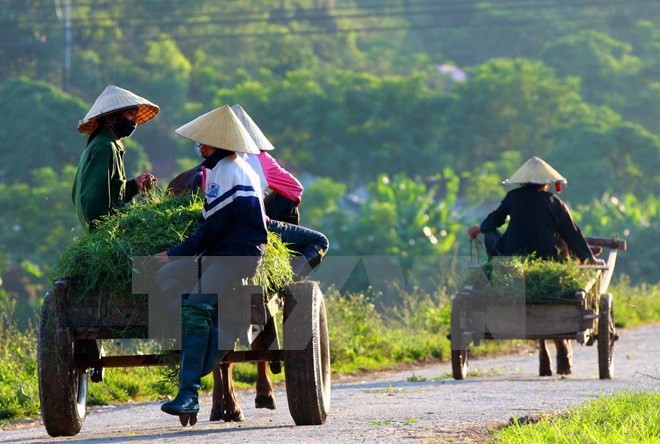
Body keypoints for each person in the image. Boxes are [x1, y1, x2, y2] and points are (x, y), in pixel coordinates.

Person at [154, 105, 267, 421]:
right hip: (219, 254)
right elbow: (212, 226)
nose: (198, 147)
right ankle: (207, 337)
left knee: (195, 306)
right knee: (165, 278)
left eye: (202, 142)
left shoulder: (230, 171)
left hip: (236, 257)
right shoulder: (224, 169)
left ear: (215, 144)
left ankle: (188, 391)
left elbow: (211, 229)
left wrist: (175, 252)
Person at [467, 156, 604, 376]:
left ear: (522, 182)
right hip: (547, 259)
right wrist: (589, 257)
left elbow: (493, 222)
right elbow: (572, 232)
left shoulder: (513, 198)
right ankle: (559, 349)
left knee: (490, 235)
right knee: (560, 240)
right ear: (547, 183)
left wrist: (480, 228)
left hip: (510, 260)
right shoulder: (554, 203)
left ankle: (497, 266)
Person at [72, 85, 159, 232]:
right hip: (105, 233)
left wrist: (134, 185)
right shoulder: (104, 147)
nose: (134, 121)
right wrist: (105, 232)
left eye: (135, 115)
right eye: (130, 114)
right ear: (111, 117)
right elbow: (93, 198)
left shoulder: (108, 144)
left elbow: (111, 194)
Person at [231, 104, 304, 225]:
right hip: (250, 219)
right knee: (319, 240)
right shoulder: (259, 158)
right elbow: (294, 189)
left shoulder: (211, 160)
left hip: (221, 217)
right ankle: (284, 239)